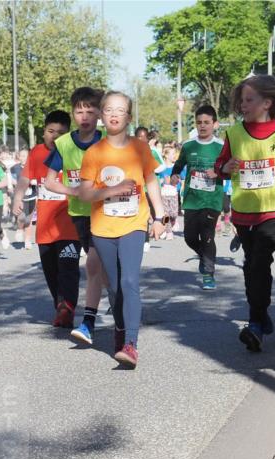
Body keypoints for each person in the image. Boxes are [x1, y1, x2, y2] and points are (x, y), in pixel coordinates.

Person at [77, 91, 166, 368]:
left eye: (120, 110)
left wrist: (160, 216)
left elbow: (151, 182)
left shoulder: (140, 149)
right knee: (114, 288)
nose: (114, 114)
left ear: (128, 117)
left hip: (133, 225)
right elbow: (85, 195)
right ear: (102, 116)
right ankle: (119, 329)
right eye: (109, 110)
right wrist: (113, 190)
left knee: (129, 281)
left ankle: (131, 343)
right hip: (103, 228)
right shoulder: (94, 153)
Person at [211, 75, 275, 353]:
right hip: (244, 211)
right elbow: (219, 164)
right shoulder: (234, 133)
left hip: (274, 209)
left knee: (260, 261)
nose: (242, 106)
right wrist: (227, 167)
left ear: (267, 103)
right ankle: (260, 315)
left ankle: (255, 324)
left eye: (249, 100)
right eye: (241, 101)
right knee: (251, 265)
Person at [43, 86, 109, 329]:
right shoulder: (63, 144)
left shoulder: (108, 140)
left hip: (106, 212)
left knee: (94, 262)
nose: (84, 116)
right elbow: (50, 181)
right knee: (101, 266)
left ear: (99, 114)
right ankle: (115, 295)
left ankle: (95, 313)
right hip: (79, 213)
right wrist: (73, 191)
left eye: (90, 111)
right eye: (79, 111)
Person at [13, 110, 80, 311]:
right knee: (51, 271)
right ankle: (60, 304)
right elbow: (25, 178)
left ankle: (67, 307)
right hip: (46, 225)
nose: (55, 136)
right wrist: (18, 196)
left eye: (61, 132)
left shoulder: (76, 151)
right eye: (51, 131)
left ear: (69, 133)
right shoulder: (37, 152)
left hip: (71, 223)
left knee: (68, 269)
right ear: (44, 132)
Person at [170, 104, 225, 290]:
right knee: (190, 237)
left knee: (207, 235)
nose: (203, 126)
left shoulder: (221, 146)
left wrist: (218, 173)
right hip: (192, 199)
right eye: (199, 122)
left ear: (215, 124)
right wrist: (175, 174)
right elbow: (179, 164)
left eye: (207, 123)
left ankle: (208, 274)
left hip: (212, 199)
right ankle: (204, 256)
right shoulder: (188, 145)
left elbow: (229, 170)